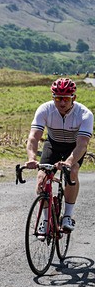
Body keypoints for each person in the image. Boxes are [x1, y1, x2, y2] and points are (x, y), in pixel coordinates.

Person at [25, 78, 93, 233]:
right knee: (42, 178)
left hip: (73, 148)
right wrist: (31, 158)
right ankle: (45, 219)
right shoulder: (45, 109)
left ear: (73, 98)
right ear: (52, 97)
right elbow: (34, 137)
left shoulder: (84, 114)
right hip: (53, 145)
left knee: (73, 171)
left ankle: (68, 216)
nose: (62, 103)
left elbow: (82, 144)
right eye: (58, 98)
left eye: (66, 99)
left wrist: (68, 162)